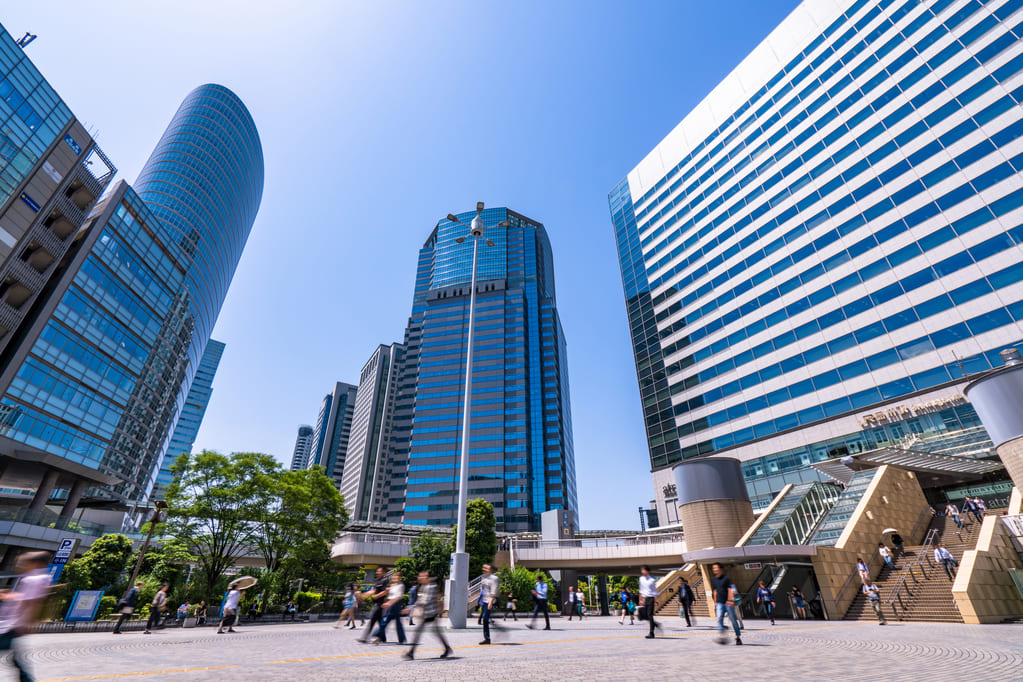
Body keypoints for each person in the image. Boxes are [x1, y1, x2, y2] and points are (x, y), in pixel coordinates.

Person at [0, 551, 50, 681]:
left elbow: (31, 603)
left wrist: (27, 623)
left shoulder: (33, 579)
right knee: (15, 659)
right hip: (13, 624)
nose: (20, 565)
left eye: (24, 563)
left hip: (12, 625)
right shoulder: (40, 578)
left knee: (15, 659)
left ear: (35, 564)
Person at [404, 572, 452, 660]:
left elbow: (427, 601)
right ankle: (447, 648)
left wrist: (414, 606)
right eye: (420, 576)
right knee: (436, 633)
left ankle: (411, 652)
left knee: (419, 633)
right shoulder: (425, 586)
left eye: (423, 576)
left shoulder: (431, 587)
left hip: (430, 614)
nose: (420, 577)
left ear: (428, 577)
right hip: (427, 613)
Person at [710, 563, 741, 645]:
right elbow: (715, 591)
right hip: (720, 602)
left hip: (728, 602)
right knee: (719, 619)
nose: (714, 569)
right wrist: (715, 602)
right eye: (713, 568)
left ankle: (738, 637)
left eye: (715, 568)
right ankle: (722, 636)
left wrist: (730, 600)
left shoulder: (726, 578)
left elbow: (730, 589)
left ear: (720, 569)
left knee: (733, 620)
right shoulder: (714, 579)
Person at [373, 571, 406, 645]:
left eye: (397, 576)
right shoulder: (393, 585)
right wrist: (386, 601)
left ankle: (379, 636)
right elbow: (390, 596)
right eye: (394, 576)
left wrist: (389, 603)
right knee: (387, 621)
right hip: (391, 604)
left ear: (400, 578)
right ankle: (380, 636)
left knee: (393, 622)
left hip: (396, 604)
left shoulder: (401, 585)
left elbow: (398, 597)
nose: (394, 577)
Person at [359, 567, 390, 643]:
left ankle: (365, 638)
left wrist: (377, 596)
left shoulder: (385, 580)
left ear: (383, 572)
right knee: (379, 621)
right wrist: (364, 595)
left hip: (380, 604)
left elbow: (385, 591)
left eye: (379, 571)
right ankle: (383, 638)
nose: (377, 573)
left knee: (372, 620)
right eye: (377, 571)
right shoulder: (377, 581)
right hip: (376, 603)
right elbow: (373, 590)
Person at [479, 564, 499, 644]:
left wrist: (490, 602)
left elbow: (493, 591)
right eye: (484, 567)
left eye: (486, 568)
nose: (484, 569)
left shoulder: (494, 578)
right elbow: (483, 590)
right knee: (485, 619)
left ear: (490, 569)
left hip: (489, 601)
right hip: (484, 601)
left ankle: (487, 638)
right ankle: (487, 638)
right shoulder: (484, 577)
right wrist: (480, 601)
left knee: (485, 619)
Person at [638, 565, 660, 639]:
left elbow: (655, 591)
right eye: (642, 570)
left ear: (647, 571)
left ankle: (651, 633)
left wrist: (655, 600)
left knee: (650, 615)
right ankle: (655, 624)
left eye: (644, 570)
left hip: (651, 598)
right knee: (644, 615)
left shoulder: (652, 580)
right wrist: (640, 599)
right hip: (645, 599)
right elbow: (641, 590)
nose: (642, 571)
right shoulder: (641, 579)